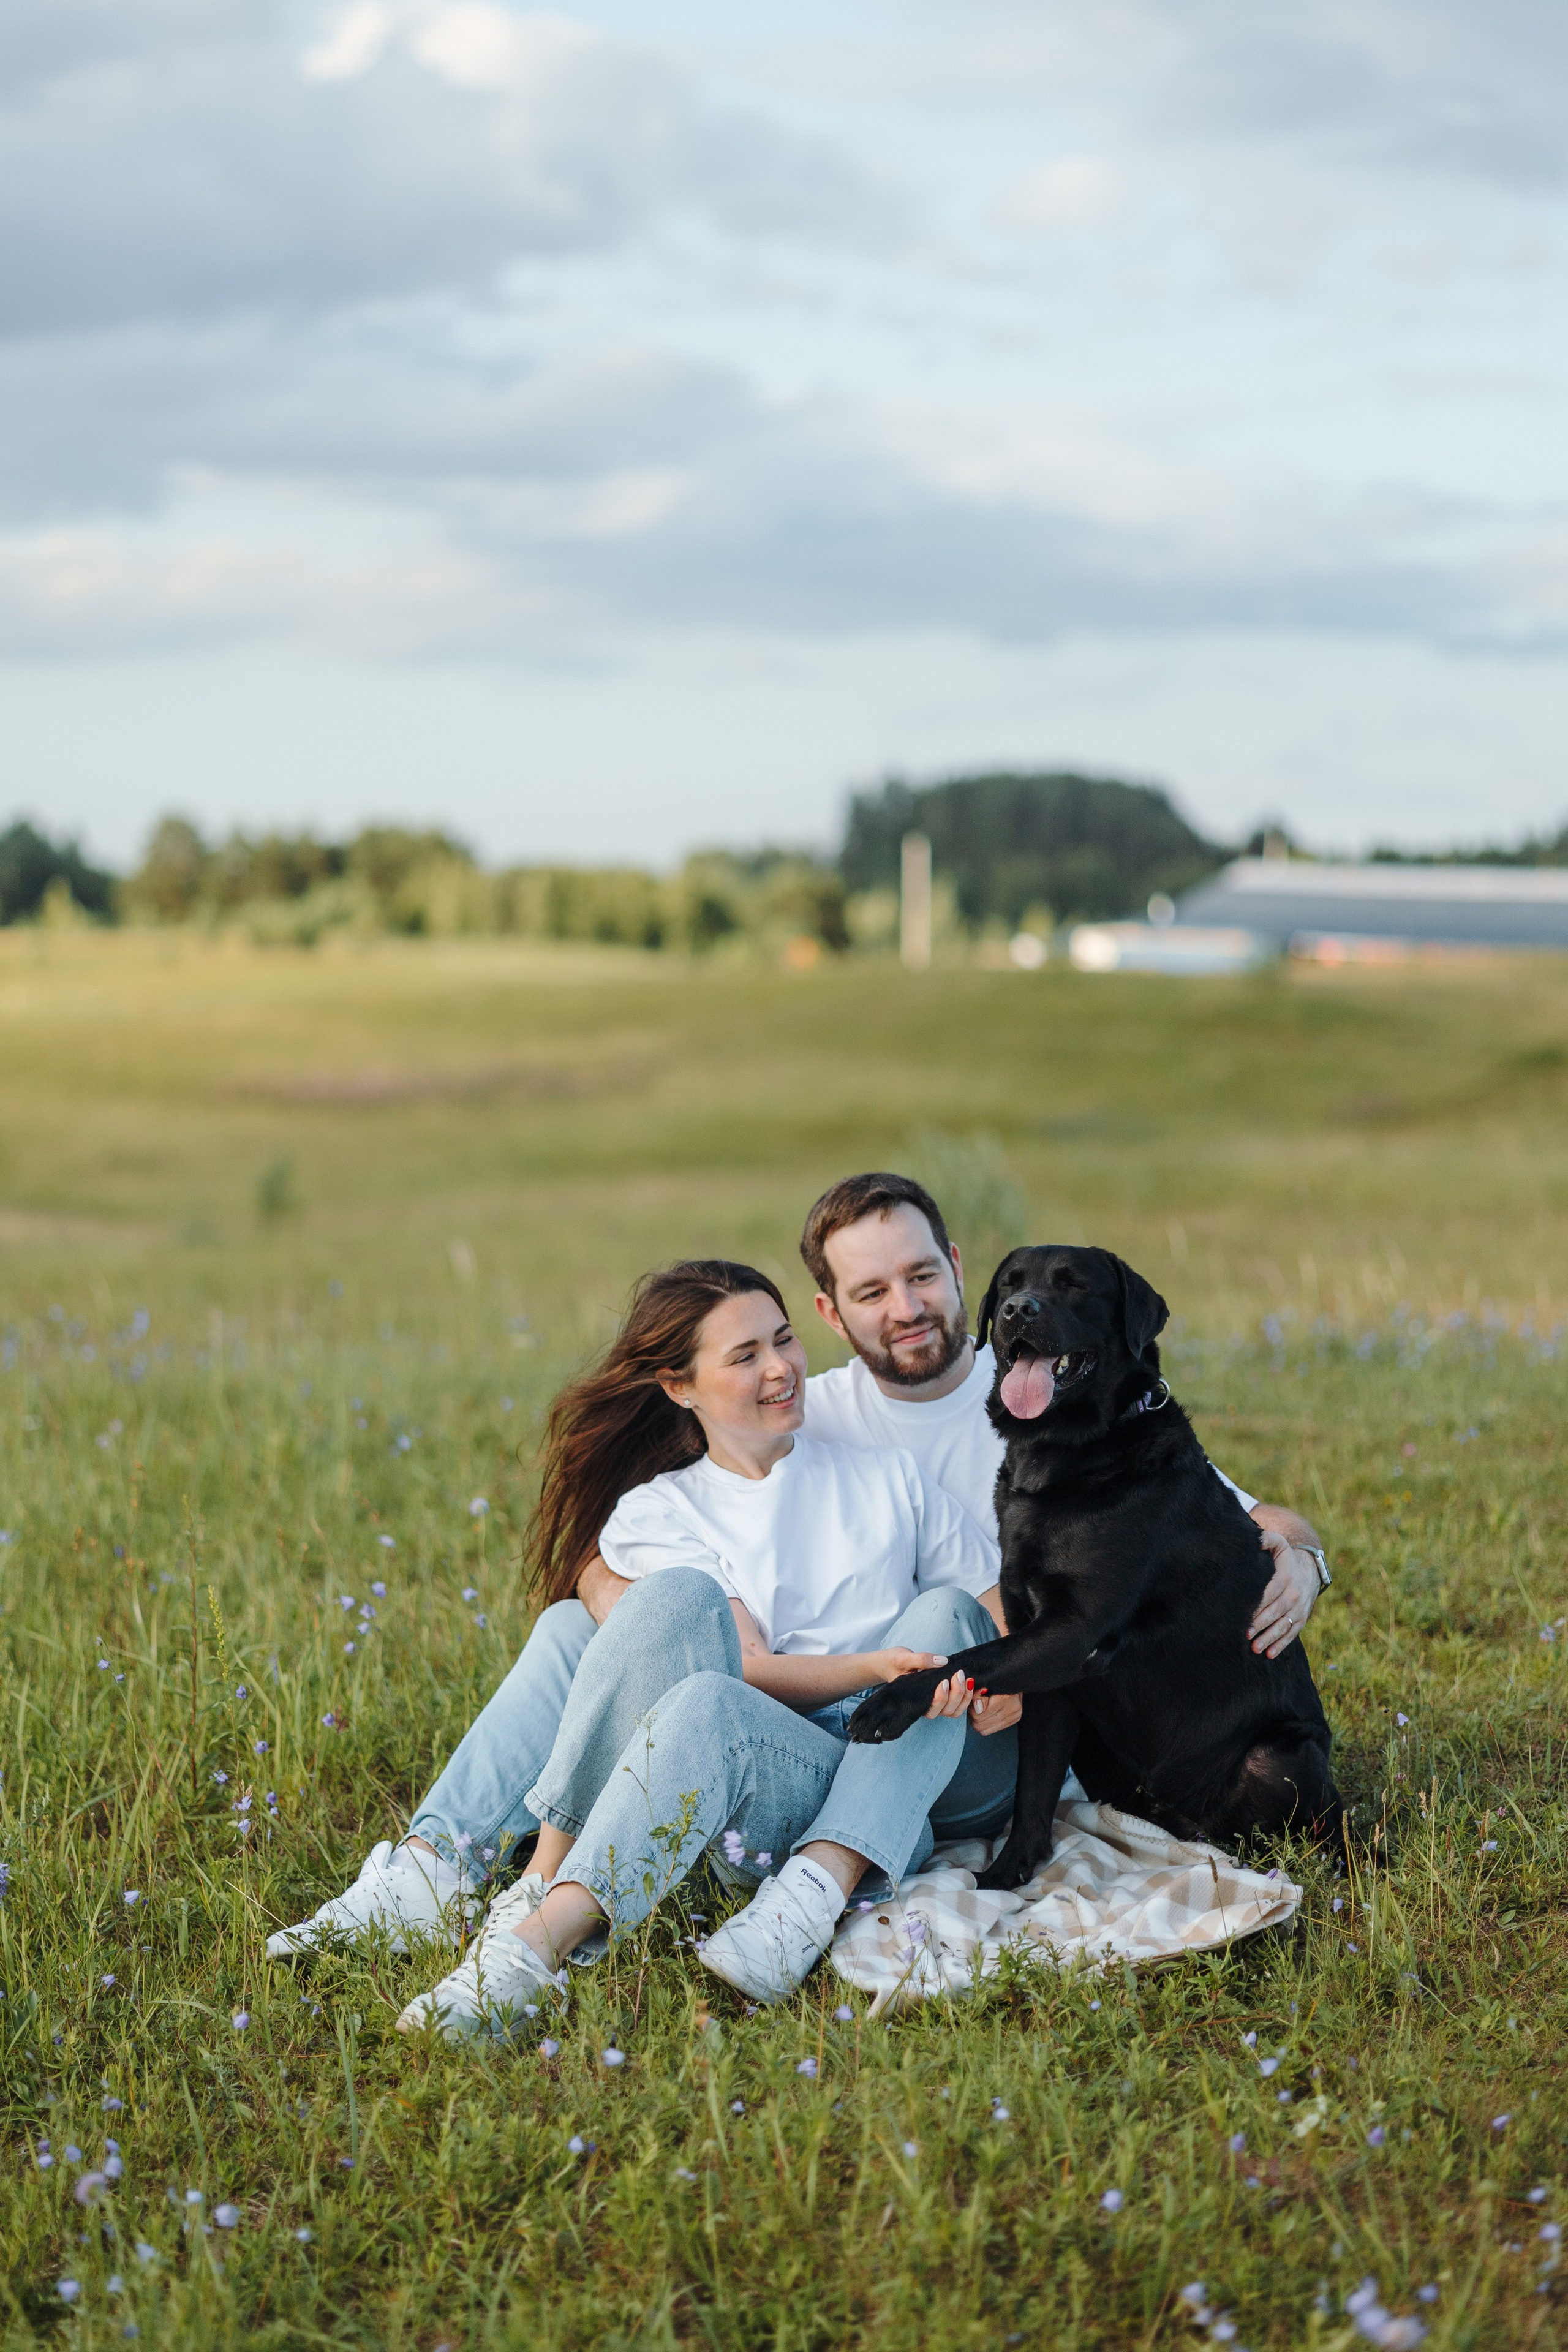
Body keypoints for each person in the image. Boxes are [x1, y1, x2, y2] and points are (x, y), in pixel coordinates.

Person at [266, 1173, 1327, 1959]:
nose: (904, 1308)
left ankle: (607, 1881)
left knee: (948, 1607)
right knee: (566, 1628)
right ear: (832, 1315)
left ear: (958, 1273)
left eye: (921, 1276)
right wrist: (677, 1625)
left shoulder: (1055, 1390)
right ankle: (431, 1866)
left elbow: (1227, 1515)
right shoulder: (804, 1404)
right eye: (871, 1292)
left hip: (948, 1706)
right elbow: (614, 1550)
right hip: (814, 1685)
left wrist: (1307, 1558)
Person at [395, 1257, 1016, 2032]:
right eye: (745, 1355)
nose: (781, 1367)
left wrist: (1012, 1671)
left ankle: (811, 1892)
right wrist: (873, 1669)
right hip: (814, 1761)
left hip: (940, 1757)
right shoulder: (661, 1510)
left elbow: (987, 1604)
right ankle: (528, 1953)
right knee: (704, 1689)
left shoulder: (887, 1475)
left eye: (784, 1339)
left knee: (945, 1615)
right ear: (679, 1387)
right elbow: (745, 1669)